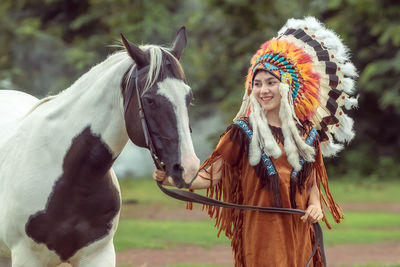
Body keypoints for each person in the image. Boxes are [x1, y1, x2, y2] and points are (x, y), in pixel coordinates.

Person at [154, 16, 357, 267]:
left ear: (286, 86)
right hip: (261, 237)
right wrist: (174, 178)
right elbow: (211, 176)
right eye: (257, 84)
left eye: (271, 83)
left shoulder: (307, 135)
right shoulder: (241, 132)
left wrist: (315, 205)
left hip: (301, 234)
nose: (263, 90)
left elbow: (311, 181)